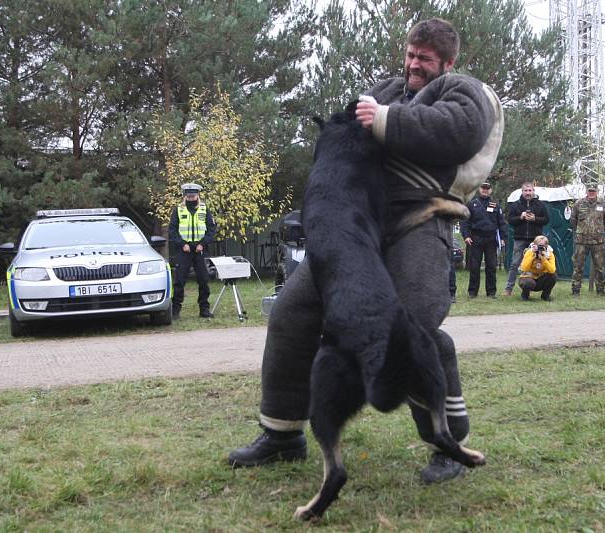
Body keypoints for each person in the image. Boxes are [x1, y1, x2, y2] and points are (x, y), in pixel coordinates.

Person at [228, 18, 503, 485]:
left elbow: (460, 132)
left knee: (411, 325)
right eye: (411, 55)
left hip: (420, 219)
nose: (415, 65)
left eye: (426, 59)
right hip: (355, 226)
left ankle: (448, 445)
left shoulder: (463, 89)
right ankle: (281, 433)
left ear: (448, 63)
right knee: (292, 313)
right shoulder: (388, 87)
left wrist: (382, 119)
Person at [168, 182, 217, 319]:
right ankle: (175, 311)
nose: (191, 198)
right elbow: (172, 230)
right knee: (179, 281)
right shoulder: (178, 210)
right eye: (188, 196)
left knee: (203, 280)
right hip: (184, 249)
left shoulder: (204, 209)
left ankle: (204, 310)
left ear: (198, 195)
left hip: (199, 249)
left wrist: (203, 243)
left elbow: (212, 228)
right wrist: (182, 244)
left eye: (193, 196)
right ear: (185, 196)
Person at [460, 182, 507, 298]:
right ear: (479, 189)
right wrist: (466, 236)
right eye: (483, 188)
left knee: (491, 267)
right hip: (475, 239)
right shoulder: (472, 204)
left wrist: (503, 238)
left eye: (488, 188)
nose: (485, 190)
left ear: (491, 190)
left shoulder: (495, 205)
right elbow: (465, 222)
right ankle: (472, 292)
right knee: (474, 267)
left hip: (491, 239)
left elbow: (502, 224)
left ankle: (491, 293)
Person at [504, 182, 548, 296]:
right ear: (522, 192)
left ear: (533, 191)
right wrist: (521, 217)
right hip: (520, 238)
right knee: (515, 264)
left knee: (537, 263)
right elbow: (510, 221)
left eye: (530, 191)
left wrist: (535, 219)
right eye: (526, 191)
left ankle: (537, 288)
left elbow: (546, 220)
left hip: (535, 240)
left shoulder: (540, 205)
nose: (528, 193)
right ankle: (508, 289)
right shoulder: (515, 205)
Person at [570, 183, 605, 296]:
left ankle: (601, 291)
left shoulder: (603, 204)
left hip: (598, 241)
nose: (591, 192)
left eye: (593, 191)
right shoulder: (578, 203)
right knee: (578, 267)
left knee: (600, 267)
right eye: (589, 190)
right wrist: (581, 230)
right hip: (581, 241)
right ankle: (575, 291)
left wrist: (599, 231)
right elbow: (573, 220)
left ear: (597, 191)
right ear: (586, 191)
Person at [517, 235, 557, 301]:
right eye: (538, 246)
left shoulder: (550, 254)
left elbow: (552, 270)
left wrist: (543, 259)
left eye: (542, 246)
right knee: (528, 283)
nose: (540, 248)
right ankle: (525, 295)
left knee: (553, 276)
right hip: (528, 278)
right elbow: (524, 268)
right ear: (534, 245)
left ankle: (545, 296)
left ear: (546, 246)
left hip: (540, 280)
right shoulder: (529, 252)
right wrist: (533, 255)